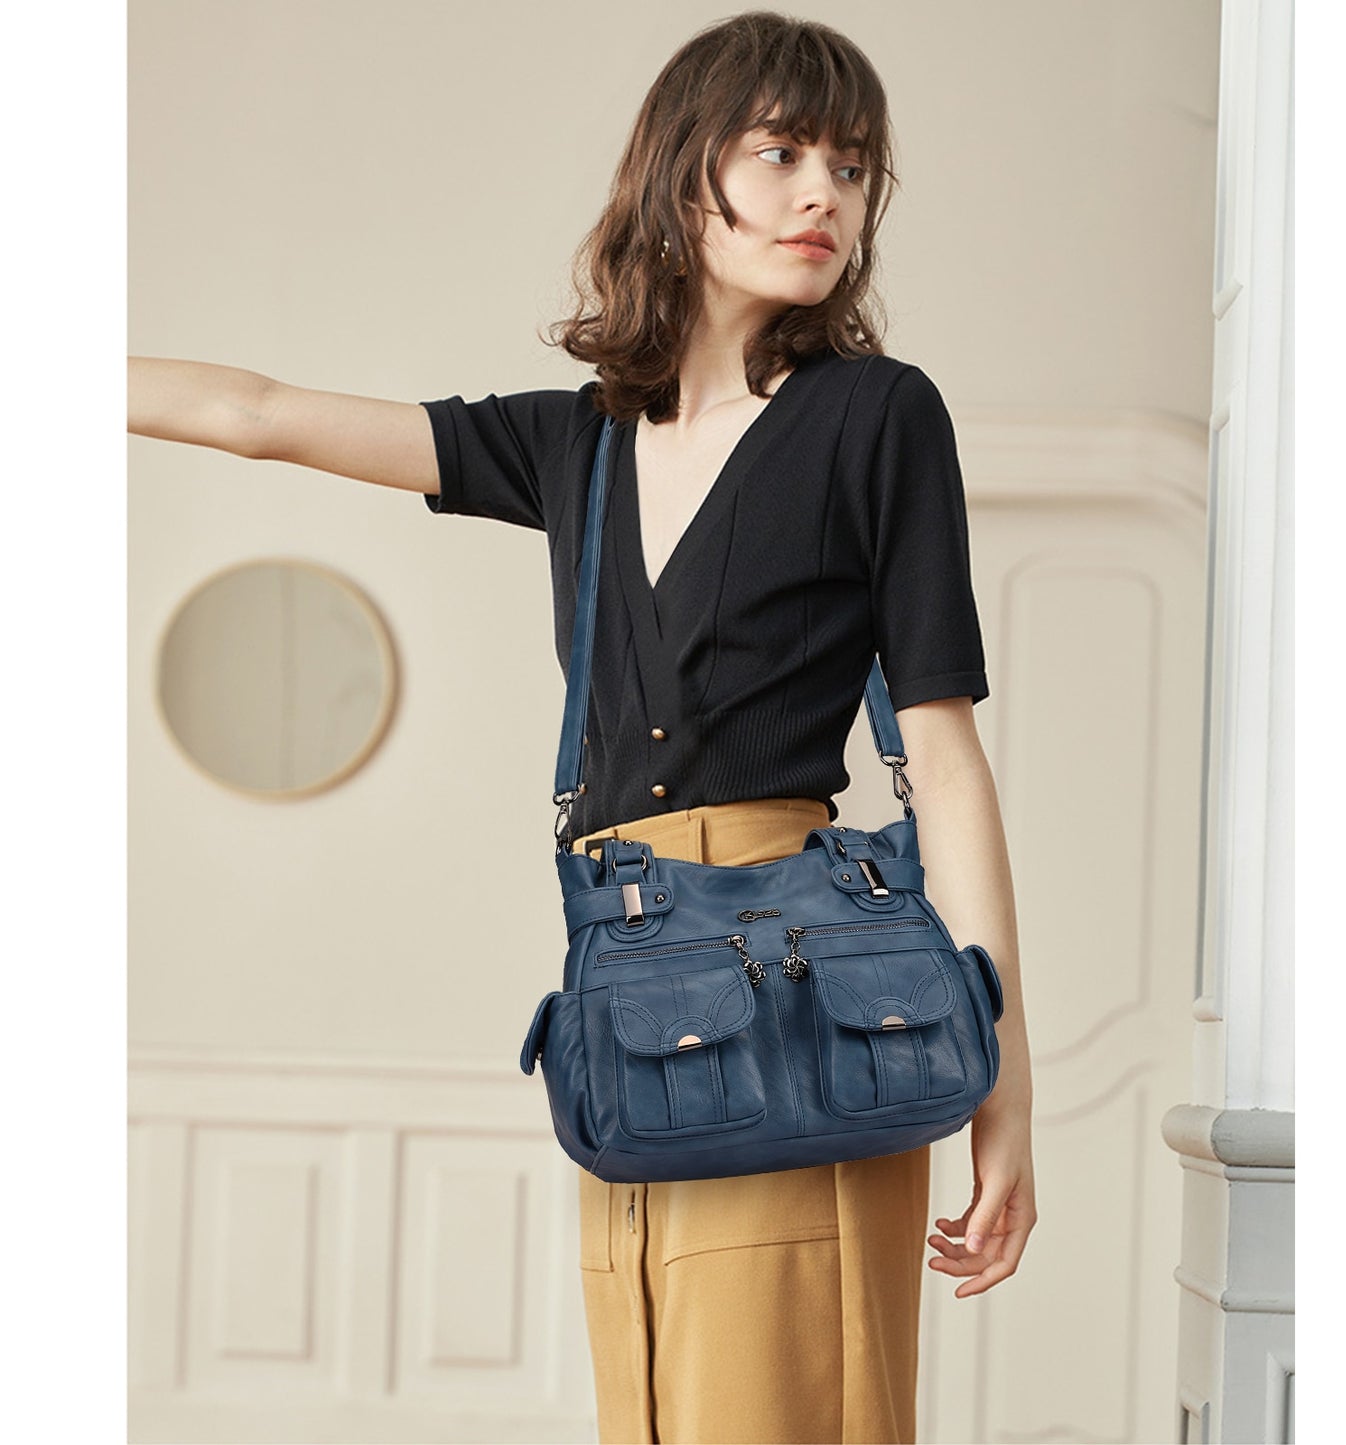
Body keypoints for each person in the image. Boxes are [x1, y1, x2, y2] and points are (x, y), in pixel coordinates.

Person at [129, 11, 1037, 1442]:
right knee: (659, 1401)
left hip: (798, 978)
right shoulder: (578, 443)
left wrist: (1005, 1094)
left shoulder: (876, 416)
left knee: (786, 1402)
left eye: (854, 167)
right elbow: (255, 413)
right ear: (685, 177)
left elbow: (943, 757)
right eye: (783, 153)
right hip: (637, 988)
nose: (825, 194)